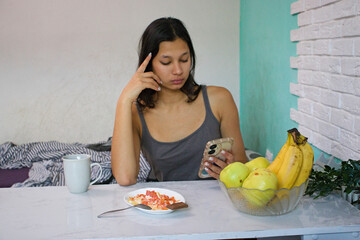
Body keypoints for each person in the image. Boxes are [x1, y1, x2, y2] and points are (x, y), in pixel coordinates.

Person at [111, 17, 247, 186]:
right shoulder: (137, 113)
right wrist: (124, 100)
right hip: (167, 206)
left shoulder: (220, 99)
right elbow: (126, 178)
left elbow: (243, 165)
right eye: (166, 62)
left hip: (218, 204)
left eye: (184, 59)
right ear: (149, 64)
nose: (178, 70)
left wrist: (231, 167)